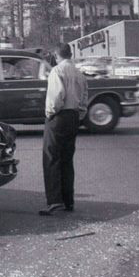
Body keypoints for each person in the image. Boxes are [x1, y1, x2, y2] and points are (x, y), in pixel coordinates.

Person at [40, 43, 88, 216]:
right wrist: (80, 114)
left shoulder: (57, 71)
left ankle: (55, 201)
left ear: (56, 54)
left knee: (51, 158)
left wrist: (50, 113)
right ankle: (68, 200)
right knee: (67, 159)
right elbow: (84, 98)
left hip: (59, 116)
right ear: (71, 54)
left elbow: (56, 96)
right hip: (74, 116)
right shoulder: (79, 74)